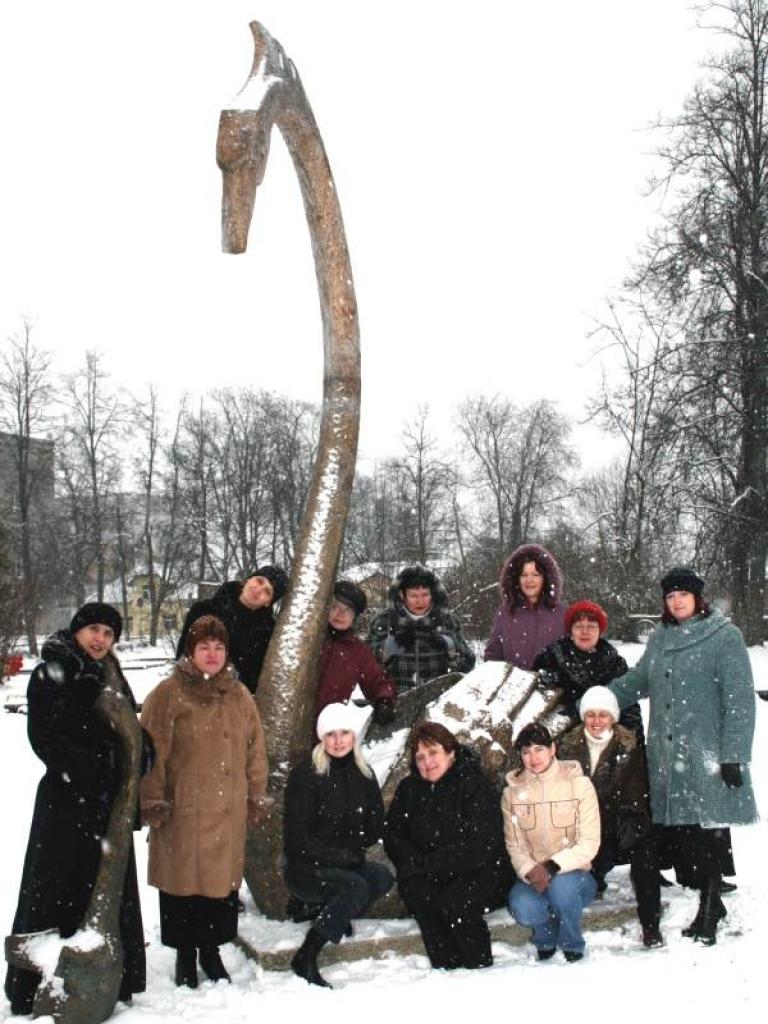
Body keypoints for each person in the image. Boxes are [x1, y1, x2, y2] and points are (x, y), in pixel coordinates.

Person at [5, 603, 146, 1015]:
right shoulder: (53, 672)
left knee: (106, 889)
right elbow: (45, 737)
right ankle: (36, 987)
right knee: (54, 889)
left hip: (108, 806)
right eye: (94, 630)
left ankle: (112, 979)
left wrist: (142, 752)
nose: (100, 639)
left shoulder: (112, 675)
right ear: (78, 630)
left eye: (108, 633)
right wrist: (93, 764)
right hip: (66, 805)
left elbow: (129, 730)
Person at [608, 566, 757, 945]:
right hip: (666, 754)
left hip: (707, 753)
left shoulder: (725, 637)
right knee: (683, 833)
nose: (676, 602)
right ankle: (708, 901)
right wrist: (601, 699)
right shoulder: (660, 638)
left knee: (708, 831)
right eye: (670, 597)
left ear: (698, 598)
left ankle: (709, 908)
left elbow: (739, 701)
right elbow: (639, 680)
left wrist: (734, 755)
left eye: (683, 595)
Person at [140, 615, 269, 987]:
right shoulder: (167, 693)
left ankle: (211, 952)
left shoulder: (240, 695)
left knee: (218, 889)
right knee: (182, 887)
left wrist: (256, 794)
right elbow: (152, 754)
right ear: (190, 652)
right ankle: (185, 955)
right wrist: (153, 800)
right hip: (183, 809)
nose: (211, 654)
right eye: (204, 647)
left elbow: (255, 750)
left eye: (218, 647)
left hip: (227, 811)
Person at [384, 721, 513, 970]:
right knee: (421, 895)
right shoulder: (409, 789)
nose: (427, 762)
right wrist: (412, 864)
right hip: (427, 872)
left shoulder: (473, 785)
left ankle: (477, 966)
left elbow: (481, 844)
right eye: (420, 757)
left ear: (451, 753)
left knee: (457, 900)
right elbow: (394, 835)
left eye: (433, 753)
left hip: (479, 871)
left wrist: (430, 864)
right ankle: (446, 970)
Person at [284, 702, 393, 988]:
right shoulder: (306, 775)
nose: (338, 740)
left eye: (345, 732)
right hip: (307, 869)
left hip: (346, 863)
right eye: (331, 734)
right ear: (322, 737)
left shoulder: (363, 773)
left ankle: (328, 911)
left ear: (354, 736)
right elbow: (297, 838)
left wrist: (355, 844)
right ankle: (306, 956)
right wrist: (336, 856)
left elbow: (374, 823)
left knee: (381, 877)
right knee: (354, 886)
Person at [557, 686, 661, 947]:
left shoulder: (630, 747)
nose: (596, 721)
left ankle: (651, 924)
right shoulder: (567, 747)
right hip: (582, 828)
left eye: (603, 715)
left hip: (617, 823)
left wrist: (629, 822)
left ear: (613, 717)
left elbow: (636, 791)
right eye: (590, 714)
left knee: (645, 852)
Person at [503, 722, 600, 962]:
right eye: (526, 752)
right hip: (533, 876)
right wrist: (530, 871)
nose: (533, 758)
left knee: (561, 889)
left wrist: (552, 867)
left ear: (553, 748)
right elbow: (515, 845)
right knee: (523, 907)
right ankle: (545, 935)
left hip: (575, 875)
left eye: (539, 749)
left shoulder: (579, 785)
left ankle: (572, 944)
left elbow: (589, 843)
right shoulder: (512, 793)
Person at [533, 600, 644, 741]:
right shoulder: (551, 658)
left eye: (591, 626)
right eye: (579, 626)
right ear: (571, 630)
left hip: (605, 743)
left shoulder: (616, 664)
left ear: (600, 630)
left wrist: (633, 747)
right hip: (560, 743)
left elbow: (630, 710)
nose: (585, 632)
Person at [176, 564, 289, 694]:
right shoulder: (203, 610)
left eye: (267, 592)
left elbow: (252, 681)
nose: (258, 590)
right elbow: (183, 656)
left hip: (232, 705)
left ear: (268, 602)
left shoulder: (267, 634)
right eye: (259, 581)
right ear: (248, 579)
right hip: (192, 695)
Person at [367, 565, 475, 693]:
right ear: (402, 595)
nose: (420, 601)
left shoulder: (446, 621)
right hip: (396, 701)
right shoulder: (385, 621)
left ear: (432, 594)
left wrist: (450, 645)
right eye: (413, 596)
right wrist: (386, 647)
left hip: (437, 700)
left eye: (425, 595)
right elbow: (365, 665)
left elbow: (468, 662)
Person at [314, 580, 397, 727]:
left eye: (348, 610)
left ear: (354, 618)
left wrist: (384, 700)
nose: (340, 614)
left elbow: (377, 680)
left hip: (327, 730)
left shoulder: (359, 652)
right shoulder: (310, 638)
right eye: (335, 607)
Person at [484, 543, 566, 669]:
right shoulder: (506, 613)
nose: (529, 580)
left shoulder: (562, 614)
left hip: (552, 688)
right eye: (524, 575)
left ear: (546, 578)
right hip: (514, 686)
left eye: (535, 575)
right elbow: (493, 657)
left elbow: (573, 657)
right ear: (516, 579)